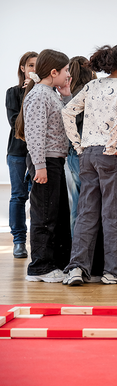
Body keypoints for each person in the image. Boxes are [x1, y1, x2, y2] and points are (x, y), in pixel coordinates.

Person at [62, 44, 117, 286]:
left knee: (86, 212)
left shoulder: (92, 85)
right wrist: (112, 144)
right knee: (114, 213)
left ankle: (77, 268)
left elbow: (67, 112)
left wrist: (78, 145)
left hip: (87, 153)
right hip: (112, 154)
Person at [16, 49, 72, 282]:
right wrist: (39, 166)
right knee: (45, 215)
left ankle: (55, 263)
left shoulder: (51, 93)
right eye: (66, 70)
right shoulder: (39, 94)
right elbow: (35, 133)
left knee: (57, 214)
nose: (68, 75)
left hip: (54, 160)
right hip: (45, 161)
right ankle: (40, 267)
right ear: (54, 72)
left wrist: (66, 96)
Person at [5, 51, 37, 258]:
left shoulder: (47, 92)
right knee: (18, 196)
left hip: (40, 153)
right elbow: (16, 124)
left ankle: (38, 241)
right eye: (31, 65)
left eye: (37, 65)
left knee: (38, 197)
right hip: (17, 152)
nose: (34, 69)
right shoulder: (13, 93)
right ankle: (19, 241)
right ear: (23, 68)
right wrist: (28, 95)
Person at [65, 56, 96, 232]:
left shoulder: (73, 95)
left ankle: (76, 243)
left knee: (77, 202)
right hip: (87, 152)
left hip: (74, 153)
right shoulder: (89, 93)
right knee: (87, 202)